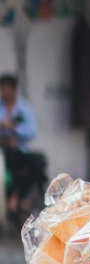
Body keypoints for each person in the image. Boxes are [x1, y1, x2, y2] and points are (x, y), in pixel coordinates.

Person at [0, 73, 45, 219]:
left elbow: (32, 130)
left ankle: (20, 197)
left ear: (13, 90)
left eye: (6, 90)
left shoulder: (24, 108)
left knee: (38, 162)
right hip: (3, 152)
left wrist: (14, 129)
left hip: (19, 150)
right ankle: (11, 198)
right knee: (9, 159)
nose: (4, 93)